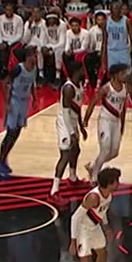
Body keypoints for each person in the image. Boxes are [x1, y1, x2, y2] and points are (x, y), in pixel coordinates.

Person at [68, 167, 121, 262]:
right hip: (83, 230)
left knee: (102, 252)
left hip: (95, 227)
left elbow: (102, 212)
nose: (118, 183)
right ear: (109, 183)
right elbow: (75, 218)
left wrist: (106, 227)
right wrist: (73, 241)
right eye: (116, 181)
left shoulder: (108, 195)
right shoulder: (93, 197)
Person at [0, 49, 37, 179]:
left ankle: (4, 159)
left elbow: (32, 84)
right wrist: (7, 102)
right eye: (33, 55)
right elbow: (4, 83)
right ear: (27, 57)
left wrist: (35, 98)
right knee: (10, 133)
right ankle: (0, 162)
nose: (34, 58)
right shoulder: (18, 69)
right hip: (15, 101)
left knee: (17, 132)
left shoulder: (34, 69)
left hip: (24, 102)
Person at [83, 65, 130, 179]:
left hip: (116, 121)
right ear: (115, 75)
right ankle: (94, 178)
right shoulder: (106, 88)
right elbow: (93, 102)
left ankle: (93, 165)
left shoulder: (125, 88)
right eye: (122, 73)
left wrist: (122, 125)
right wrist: (86, 119)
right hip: (105, 120)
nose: (124, 76)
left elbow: (123, 108)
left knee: (114, 152)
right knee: (105, 149)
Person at [50, 60, 87, 199]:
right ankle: (54, 191)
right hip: (64, 124)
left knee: (76, 150)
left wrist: (81, 127)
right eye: (82, 69)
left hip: (72, 121)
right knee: (65, 155)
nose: (84, 71)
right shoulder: (68, 88)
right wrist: (71, 132)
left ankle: (72, 178)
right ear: (76, 71)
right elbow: (65, 113)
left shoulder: (79, 85)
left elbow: (77, 108)